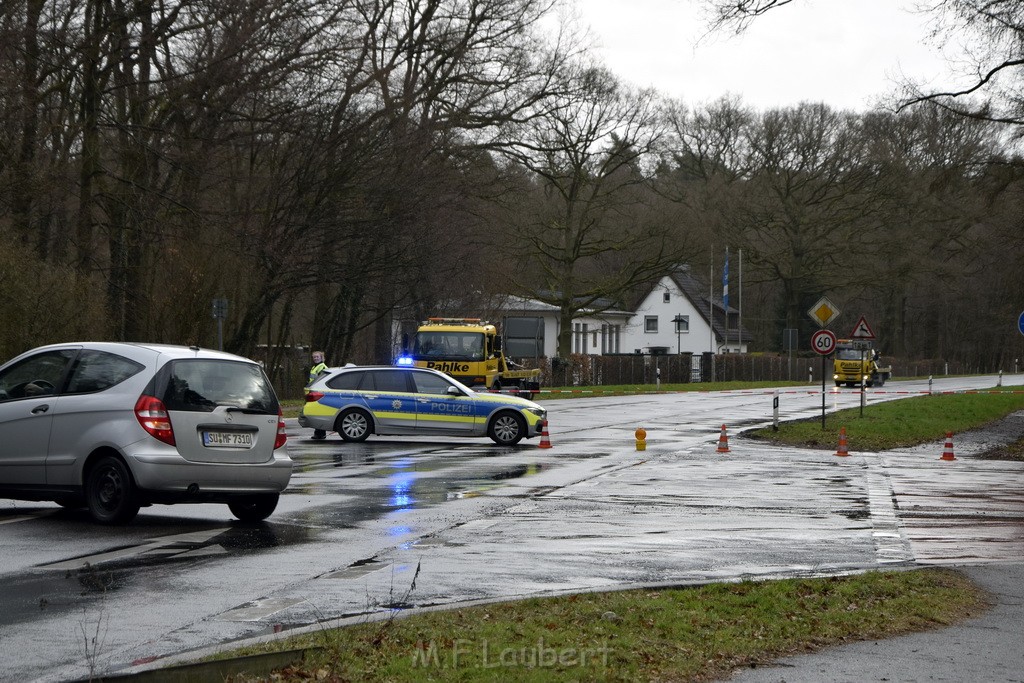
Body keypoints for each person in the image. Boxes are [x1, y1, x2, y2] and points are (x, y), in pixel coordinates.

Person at [307, 350, 328, 440]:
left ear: (321, 358)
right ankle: (318, 432)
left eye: (317, 357)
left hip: (319, 392)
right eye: (314, 357)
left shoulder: (322, 367)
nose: (315, 358)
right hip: (314, 391)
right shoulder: (314, 367)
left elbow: (321, 380)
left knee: (320, 412)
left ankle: (321, 433)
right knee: (317, 412)